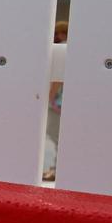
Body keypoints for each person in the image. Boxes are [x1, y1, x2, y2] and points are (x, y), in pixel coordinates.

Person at [44, 20, 69, 181]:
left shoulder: (64, 48)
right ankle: (57, 168)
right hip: (64, 100)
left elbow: (59, 78)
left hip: (58, 101)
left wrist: (50, 96)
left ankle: (57, 169)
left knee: (57, 135)